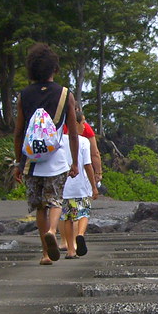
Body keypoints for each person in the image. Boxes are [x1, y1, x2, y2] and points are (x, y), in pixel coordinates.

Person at [13, 43, 79, 265]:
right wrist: (75, 162)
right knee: (55, 201)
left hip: (31, 160)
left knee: (40, 206)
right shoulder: (64, 95)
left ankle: (44, 254)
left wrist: (17, 163)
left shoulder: (24, 96)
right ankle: (53, 230)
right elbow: (72, 134)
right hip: (57, 159)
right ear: (55, 69)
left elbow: (18, 133)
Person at [58, 105, 101, 258]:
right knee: (83, 213)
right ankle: (81, 234)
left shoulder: (59, 141)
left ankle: (70, 250)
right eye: (83, 122)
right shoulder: (83, 142)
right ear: (75, 123)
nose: (84, 126)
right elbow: (87, 165)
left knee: (67, 218)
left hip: (63, 187)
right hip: (80, 186)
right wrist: (94, 186)